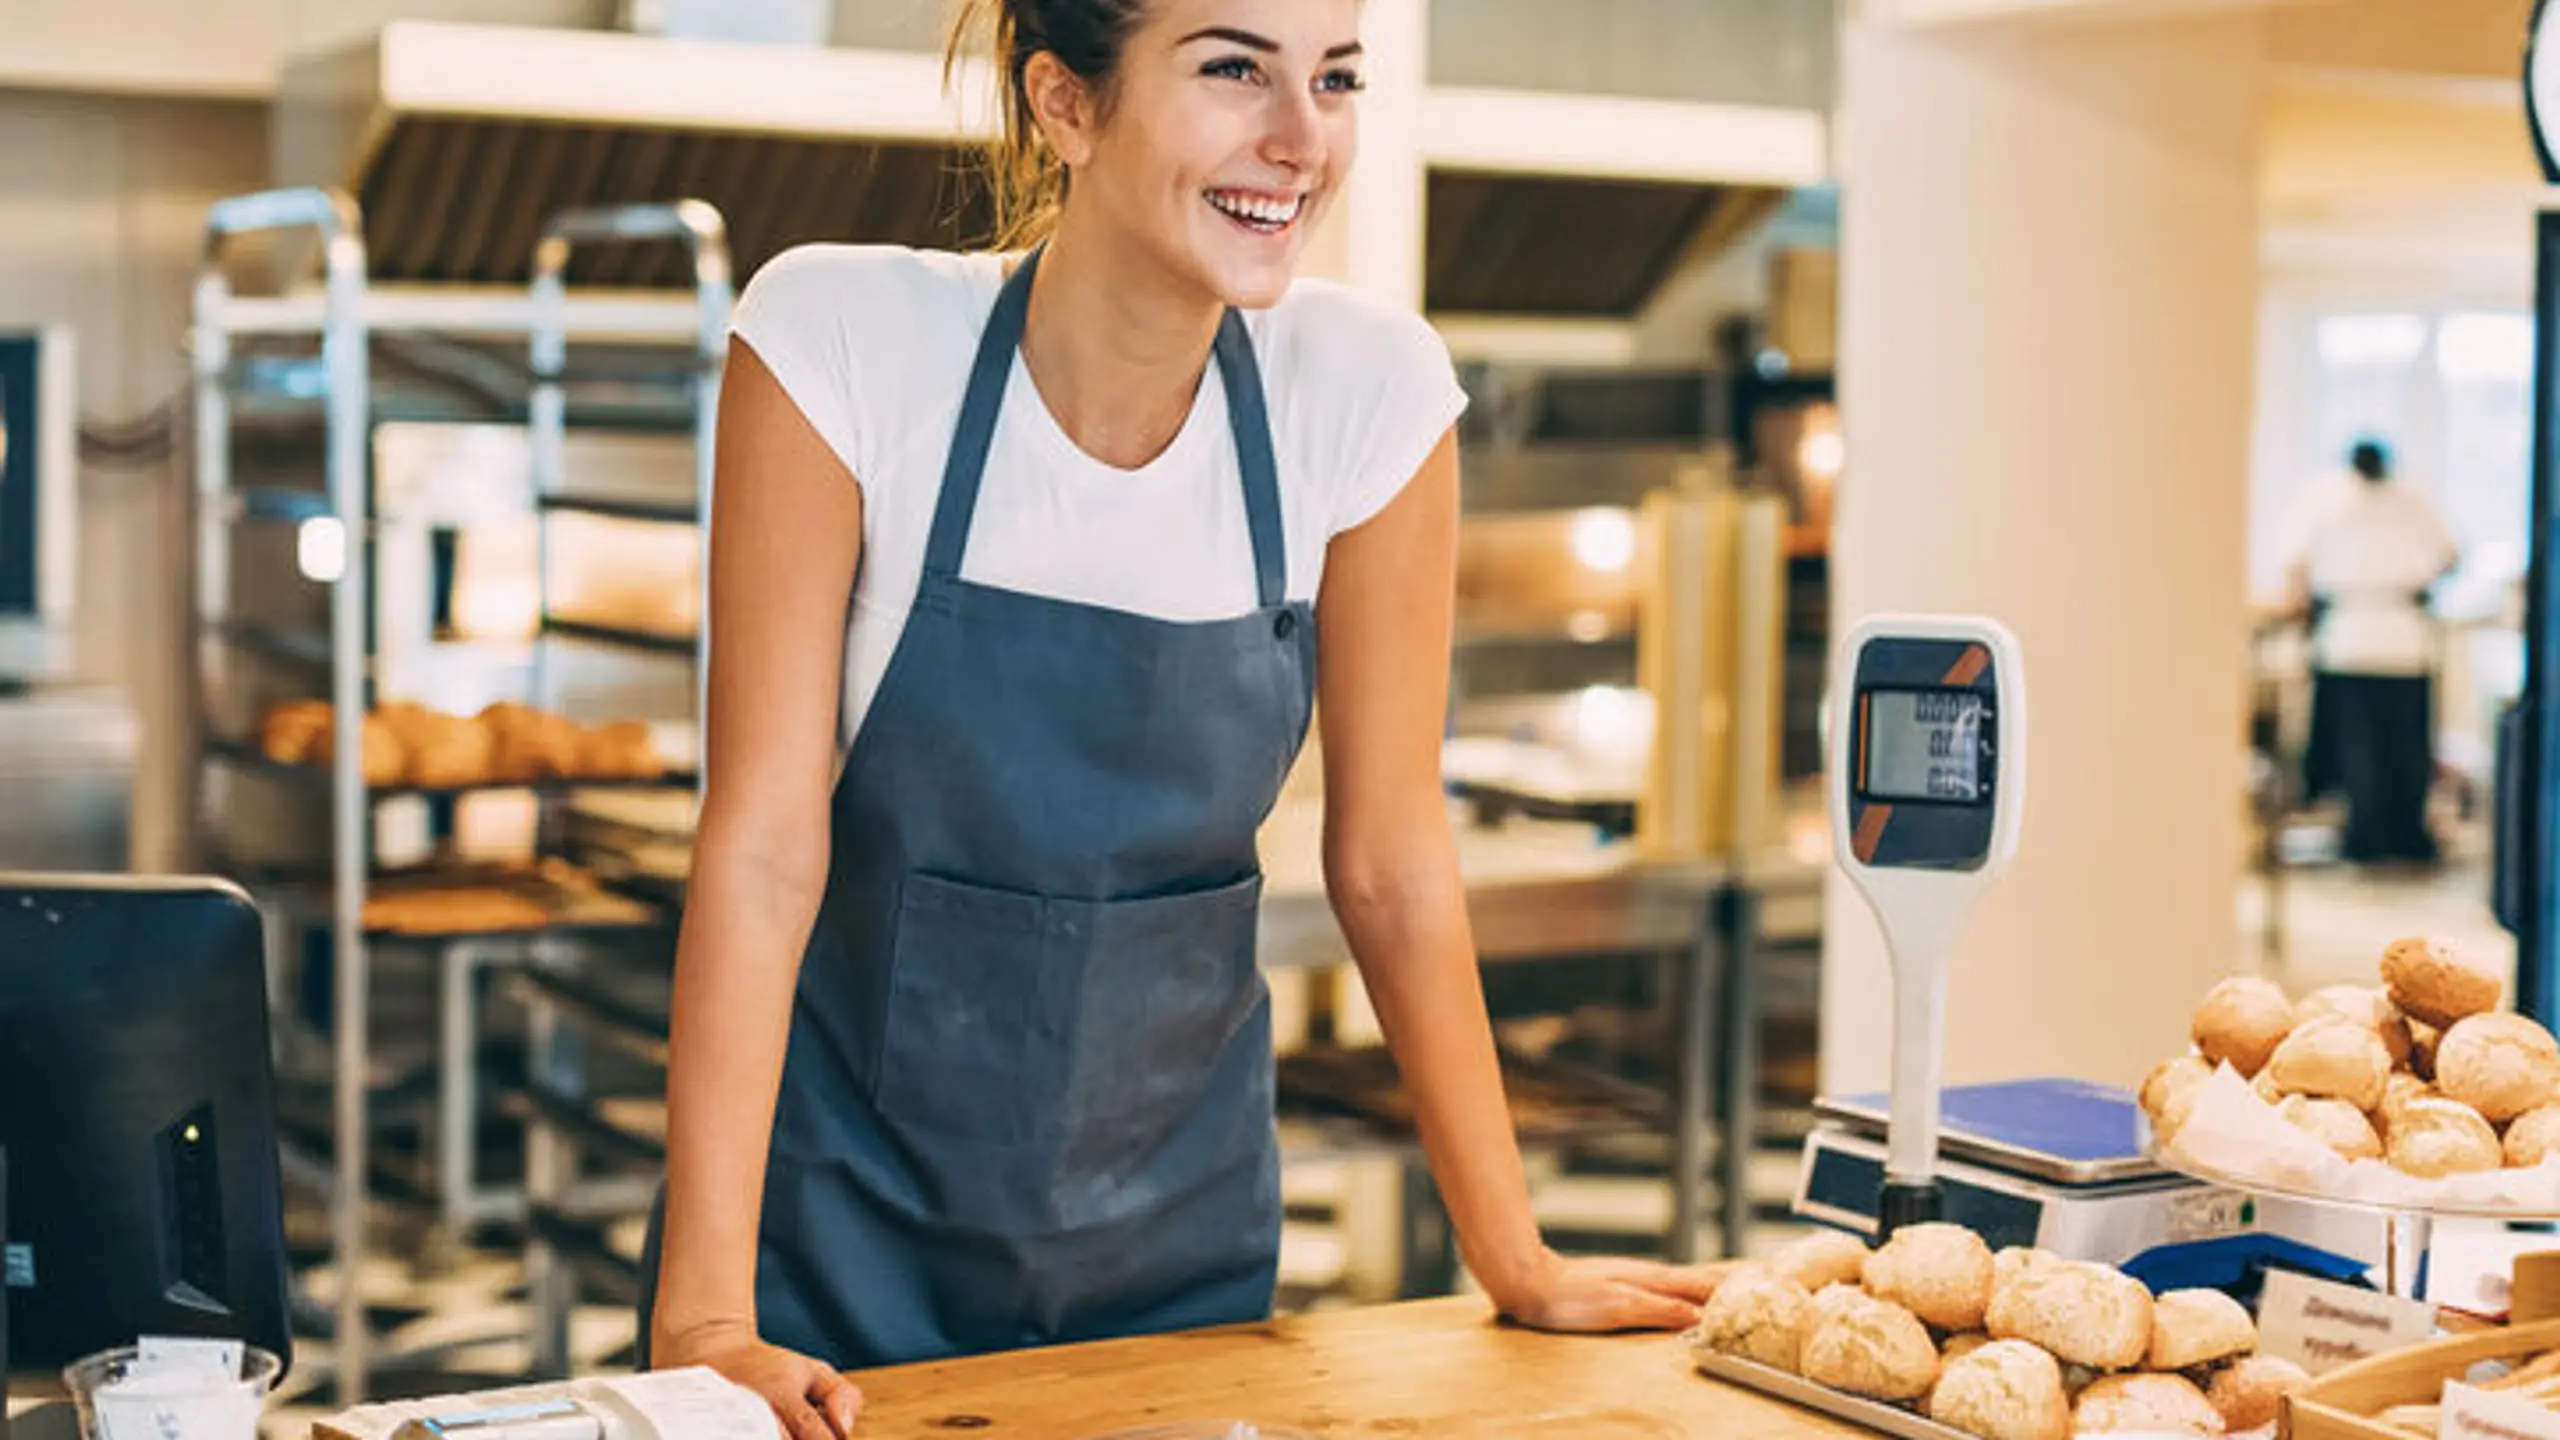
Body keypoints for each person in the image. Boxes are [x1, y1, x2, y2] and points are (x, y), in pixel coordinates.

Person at [640, 1, 1730, 1433]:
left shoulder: (1368, 395)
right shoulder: (841, 342)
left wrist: (1513, 1255)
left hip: (1180, 1258)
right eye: (1232, 69)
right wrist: (706, 1319)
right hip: (836, 1256)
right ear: (1065, 103)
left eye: (1334, 78)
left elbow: (1392, 861)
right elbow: (767, 842)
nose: (1301, 138)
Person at [2284, 438, 2459, 866]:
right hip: (2376, 634)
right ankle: (2384, 837)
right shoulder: (2341, 496)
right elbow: (2450, 557)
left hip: (2373, 636)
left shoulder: (2388, 497)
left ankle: (2382, 839)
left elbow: (2296, 564)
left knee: (2377, 751)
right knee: (2382, 751)